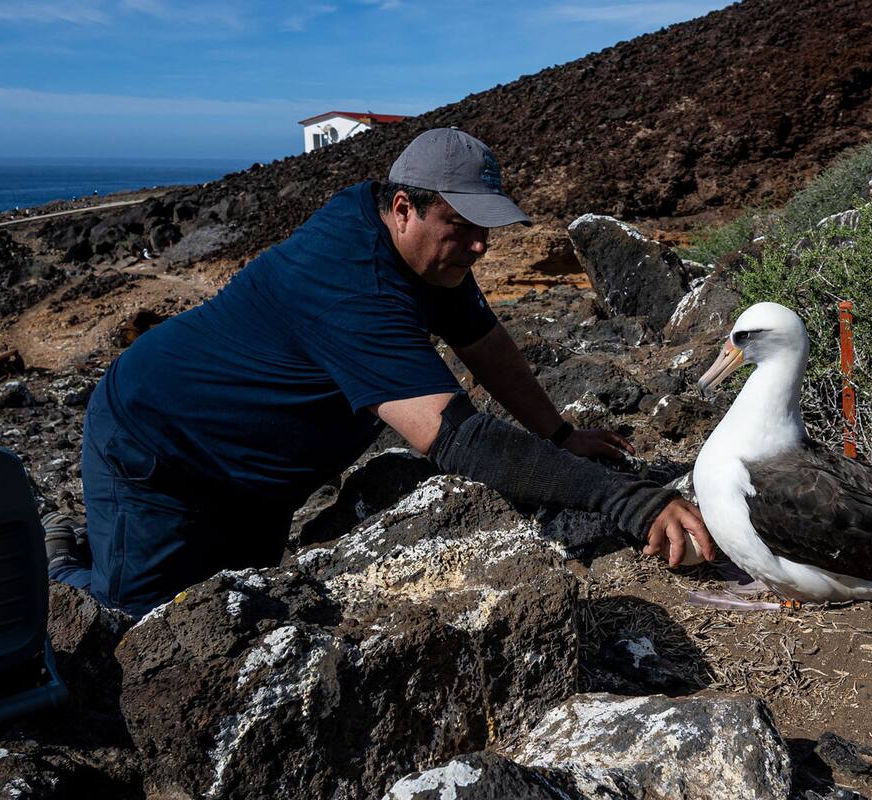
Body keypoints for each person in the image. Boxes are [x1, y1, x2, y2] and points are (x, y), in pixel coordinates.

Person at [46, 128, 716, 618]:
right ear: (403, 207)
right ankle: (58, 570)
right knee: (132, 623)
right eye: (463, 226)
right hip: (161, 448)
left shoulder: (427, 254)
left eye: (486, 227)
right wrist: (619, 496)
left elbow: (485, 342)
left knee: (235, 607)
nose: (481, 246)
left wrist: (559, 433)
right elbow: (457, 439)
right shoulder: (354, 281)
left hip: (254, 474)